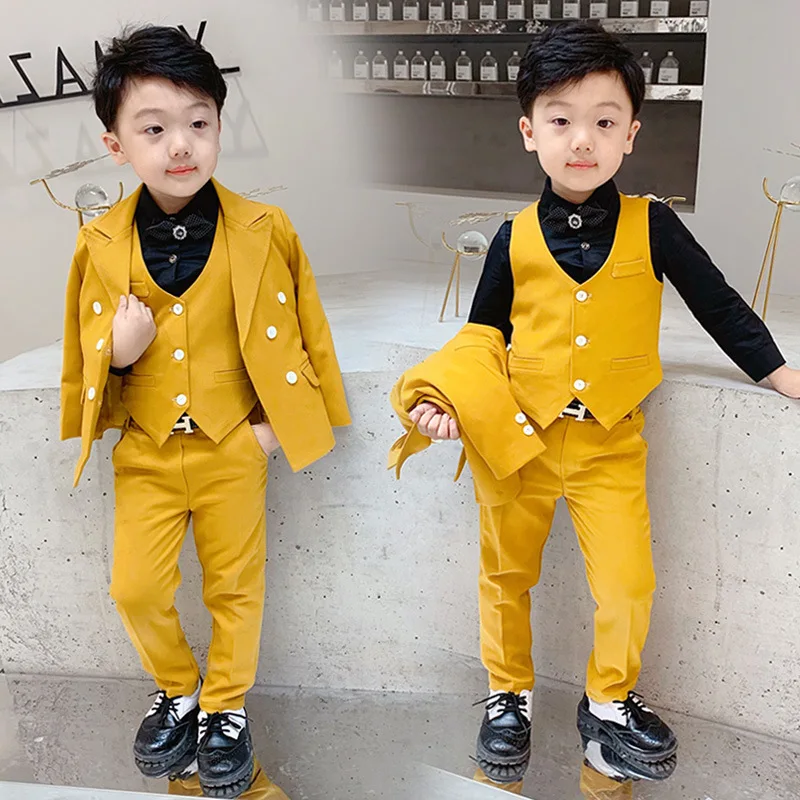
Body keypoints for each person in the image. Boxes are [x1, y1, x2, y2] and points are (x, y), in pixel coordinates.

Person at [390, 22, 800, 785]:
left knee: (628, 583)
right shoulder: (512, 238)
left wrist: (778, 372)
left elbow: (717, 302)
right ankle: (508, 695)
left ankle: (608, 700)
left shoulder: (655, 225)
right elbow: (480, 340)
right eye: (561, 120)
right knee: (505, 575)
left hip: (609, 444)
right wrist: (445, 403)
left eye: (605, 121)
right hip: (517, 442)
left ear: (631, 134)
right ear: (529, 131)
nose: (583, 139)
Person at [60, 25, 350, 798]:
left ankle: (225, 709)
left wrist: (270, 431)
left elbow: (308, 333)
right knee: (135, 588)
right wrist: (119, 351)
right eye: (153, 129)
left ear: (221, 126)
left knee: (235, 588)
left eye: (199, 122)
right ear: (116, 145)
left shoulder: (265, 228)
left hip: (233, 445)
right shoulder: (98, 242)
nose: (180, 144)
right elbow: (84, 348)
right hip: (147, 447)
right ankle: (178, 688)